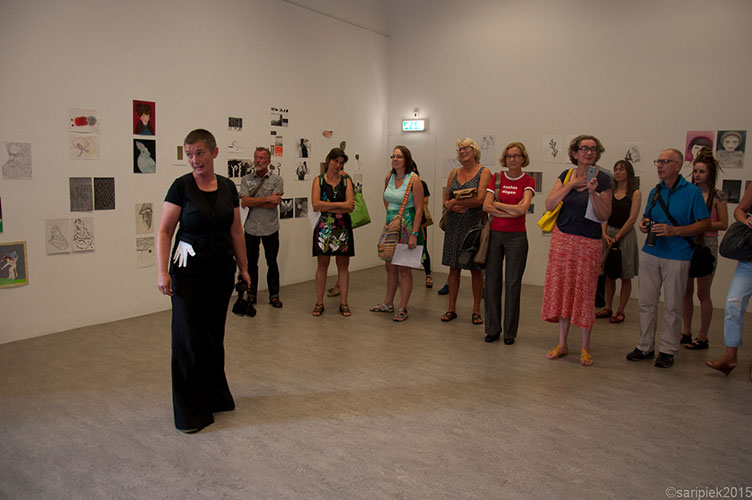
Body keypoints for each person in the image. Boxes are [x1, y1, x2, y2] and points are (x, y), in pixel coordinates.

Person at [156, 129, 250, 433]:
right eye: (189, 154)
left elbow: (236, 231)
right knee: (188, 338)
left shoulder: (228, 187)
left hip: (220, 270)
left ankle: (215, 397)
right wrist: (162, 271)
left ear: (214, 152)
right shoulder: (180, 186)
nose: (194, 160)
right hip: (188, 271)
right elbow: (164, 231)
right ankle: (191, 413)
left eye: (200, 153)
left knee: (212, 336)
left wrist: (244, 268)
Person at [626, 149, 710, 368]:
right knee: (646, 302)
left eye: (665, 161)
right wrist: (644, 224)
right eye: (658, 161)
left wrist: (676, 231)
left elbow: (704, 223)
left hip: (678, 255)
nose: (660, 165)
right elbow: (647, 216)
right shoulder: (655, 191)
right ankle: (645, 346)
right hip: (651, 252)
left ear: (678, 165)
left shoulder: (692, 192)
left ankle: (667, 350)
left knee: (673, 305)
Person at [542, 135, 612, 366]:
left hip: (588, 242)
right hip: (562, 239)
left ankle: (585, 348)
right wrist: (571, 185)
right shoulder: (566, 175)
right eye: (584, 148)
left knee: (584, 293)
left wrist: (592, 193)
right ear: (574, 153)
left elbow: (604, 215)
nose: (588, 152)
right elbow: (549, 204)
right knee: (564, 290)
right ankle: (562, 343)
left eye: (593, 149)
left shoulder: (603, 179)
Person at [482, 142, 535, 344]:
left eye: (516, 156)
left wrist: (498, 206)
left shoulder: (528, 180)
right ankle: (492, 329)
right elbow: (486, 206)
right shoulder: (497, 178)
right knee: (492, 282)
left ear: (523, 158)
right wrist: (510, 210)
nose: (512, 159)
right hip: (495, 235)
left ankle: (510, 333)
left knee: (513, 284)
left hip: (517, 237)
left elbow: (523, 209)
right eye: (509, 156)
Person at [370, 146, 424, 321]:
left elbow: (419, 208)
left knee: (404, 268)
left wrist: (414, 233)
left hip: (407, 226)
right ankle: (388, 303)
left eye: (399, 156)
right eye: (393, 156)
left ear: (407, 159)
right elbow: (385, 197)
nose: (395, 159)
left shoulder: (414, 180)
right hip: (392, 225)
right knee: (390, 266)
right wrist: (391, 216)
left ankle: (403, 307)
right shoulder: (389, 177)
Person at [440, 138, 492, 324]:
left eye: (466, 148)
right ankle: (451, 309)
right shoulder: (454, 173)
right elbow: (446, 199)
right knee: (453, 268)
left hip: (474, 227)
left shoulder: (484, 172)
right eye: (459, 149)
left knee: (475, 269)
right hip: (454, 225)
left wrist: (455, 202)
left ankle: (476, 310)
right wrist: (452, 205)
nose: (462, 151)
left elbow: (480, 199)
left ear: (474, 150)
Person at [681, 148, 728, 349]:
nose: (698, 175)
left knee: (703, 293)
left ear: (710, 174)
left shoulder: (718, 196)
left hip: (707, 244)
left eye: (702, 171)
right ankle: (686, 330)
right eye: (696, 171)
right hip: (688, 243)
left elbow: (724, 223)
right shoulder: (688, 193)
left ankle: (702, 335)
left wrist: (703, 225)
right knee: (686, 290)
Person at [706, 181, 752, 380]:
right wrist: (747, 221)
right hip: (749, 259)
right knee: (733, 303)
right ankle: (730, 356)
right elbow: (739, 210)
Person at [596, 160, 641, 324]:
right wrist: (604, 233)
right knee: (609, 274)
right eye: (616, 169)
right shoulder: (611, 191)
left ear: (628, 172)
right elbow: (605, 214)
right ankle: (608, 307)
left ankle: (620, 310)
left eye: (621, 169)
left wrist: (618, 236)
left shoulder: (635, 193)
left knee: (625, 275)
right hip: (609, 234)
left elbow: (632, 218)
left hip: (625, 236)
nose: (618, 172)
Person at [239, 147, 284, 308]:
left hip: (270, 227)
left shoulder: (277, 180)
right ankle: (251, 294)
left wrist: (254, 201)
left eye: (261, 158)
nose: (258, 161)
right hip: (251, 228)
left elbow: (274, 203)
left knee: (272, 262)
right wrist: (267, 199)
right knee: (251, 264)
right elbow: (245, 202)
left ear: (269, 161)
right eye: (256, 157)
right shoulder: (246, 179)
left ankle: (274, 295)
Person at [311, 148, 355, 317]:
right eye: (335, 161)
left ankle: (344, 303)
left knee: (343, 266)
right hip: (324, 227)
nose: (338, 165)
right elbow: (316, 205)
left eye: (341, 163)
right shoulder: (318, 180)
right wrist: (340, 205)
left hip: (342, 227)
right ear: (329, 160)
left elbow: (350, 206)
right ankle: (319, 302)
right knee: (322, 265)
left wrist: (328, 206)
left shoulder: (346, 181)